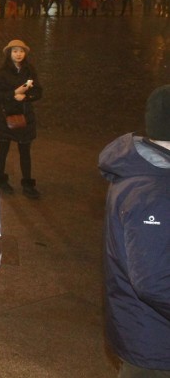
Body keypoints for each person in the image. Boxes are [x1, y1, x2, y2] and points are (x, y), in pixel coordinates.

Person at [99, 85, 170, 377]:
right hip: (155, 344)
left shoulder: (145, 171)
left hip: (145, 333)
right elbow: (153, 282)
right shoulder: (154, 191)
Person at [0, 39, 43, 198]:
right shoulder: (2, 72)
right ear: (9, 53)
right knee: (3, 149)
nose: (18, 54)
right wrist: (13, 94)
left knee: (25, 151)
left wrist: (26, 97)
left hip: (25, 116)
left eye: (21, 51)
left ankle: (27, 183)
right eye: (15, 51)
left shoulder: (29, 70)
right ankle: (0, 180)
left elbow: (39, 91)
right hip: (6, 116)